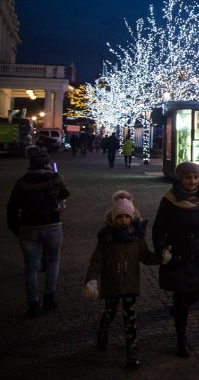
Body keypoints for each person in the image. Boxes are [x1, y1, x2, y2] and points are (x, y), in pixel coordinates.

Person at [152, 161, 199, 358]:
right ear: (180, 179)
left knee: (195, 294)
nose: (192, 181)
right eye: (187, 177)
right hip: (178, 255)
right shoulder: (169, 200)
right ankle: (181, 338)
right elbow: (158, 229)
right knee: (182, 298)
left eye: (195, 177)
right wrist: (162, 249)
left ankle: (178, 312)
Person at [82, 191, 161, 370]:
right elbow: (96, 262)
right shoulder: (106, 239)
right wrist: (92, 280)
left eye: (127, 216)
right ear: (113, 218)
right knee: (109, 313)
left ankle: (132, 355)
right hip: (112, 284)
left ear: (132, 216)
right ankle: (103, 332)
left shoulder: (136, 238)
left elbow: (145, 256)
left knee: (130, 320)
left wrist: (160, 258)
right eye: (120, 217)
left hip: (130, 284)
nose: (124, 220)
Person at [7, 147, 70, 317]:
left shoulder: (22, 182)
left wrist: (16, 228)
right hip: (52, 225)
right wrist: (57, 178)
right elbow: (66, 193)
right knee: (53, 262)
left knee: (31, 267)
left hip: (28, 227)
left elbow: (12, 208)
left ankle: (33, 304)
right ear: (47, 163)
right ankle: (49, 298)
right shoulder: (55, 178)